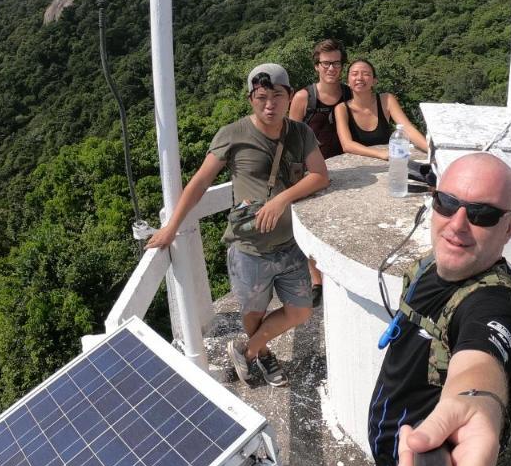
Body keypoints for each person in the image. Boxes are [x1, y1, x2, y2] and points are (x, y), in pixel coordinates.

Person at [366, 153, 511, 466]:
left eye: (482, 214)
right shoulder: (429, 267)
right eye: (447, 203)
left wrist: (479, 403)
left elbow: (480, 362)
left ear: (510, 227)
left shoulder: (493, 302)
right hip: (390, 453)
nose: (457, 224)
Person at [146, 63, 329, 387]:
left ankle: (248, 349)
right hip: (250, 251)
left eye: (276, 96)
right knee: (254, 317)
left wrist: (280, 199)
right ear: (251, 99)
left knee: (300, 311)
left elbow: (320, 175)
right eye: (261, 97)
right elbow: (200, 182)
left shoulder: (300, 133)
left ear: (289, 96)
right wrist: (172, 226)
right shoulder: (233, 135)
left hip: (290, 247)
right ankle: (262, 351)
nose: (269, 104)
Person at [289, 39, 353, 306]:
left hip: (348, 170)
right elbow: (291, 136)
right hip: (312, 172)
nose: (332, 68)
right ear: (317, 66)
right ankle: (316, 280)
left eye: (336, 63)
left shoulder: (350, 95)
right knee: (312, 228)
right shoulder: (304, 97)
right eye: (326, 63)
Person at [333, 59, 428, 160]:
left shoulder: (386, 100)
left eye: (366, 74)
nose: (359, 78)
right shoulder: (341, 108)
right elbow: (347, 145)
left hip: (389, 164)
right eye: (354, 74)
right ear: (347, 81)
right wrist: (380, 153)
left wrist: (432, 150)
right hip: (362, 168)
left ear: (374, 81)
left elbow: (407, 129)